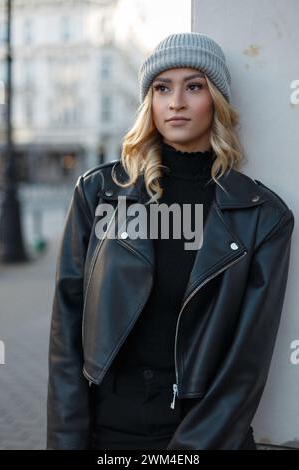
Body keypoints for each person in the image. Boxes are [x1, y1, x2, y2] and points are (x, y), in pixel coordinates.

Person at [46, 33, 295, 450]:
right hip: (107, 433)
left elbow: (245, 365)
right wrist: (65, 440)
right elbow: (66, 335)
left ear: (215, 99)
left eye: (194, 86)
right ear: (150, 103)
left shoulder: (262, 216)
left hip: (204, 435)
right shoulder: (99, 193)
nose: (176, 101)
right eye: (163, 88)